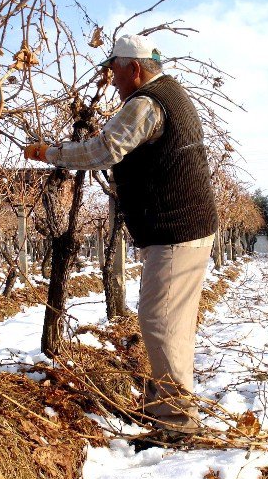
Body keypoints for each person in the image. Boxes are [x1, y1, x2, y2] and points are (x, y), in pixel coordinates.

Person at [24, 34, 218, 439]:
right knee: (170, 322)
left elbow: (105, 149)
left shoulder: (146, 103)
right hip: (185, 227)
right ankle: (166, 406)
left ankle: (176, 423)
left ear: (133, 68)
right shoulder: (172, 94)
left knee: (160, 321)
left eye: (114, 70)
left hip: (175, 229)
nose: (111, 80)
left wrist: (51, 153)